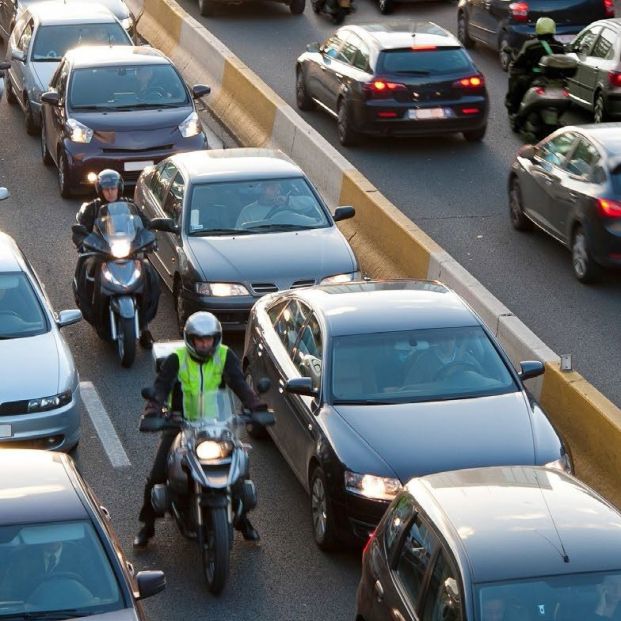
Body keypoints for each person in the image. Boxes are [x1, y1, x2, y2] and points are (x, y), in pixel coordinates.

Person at [133, 311, 268, 548]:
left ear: (216, 338)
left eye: (209, 339)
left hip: (218, 425)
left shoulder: (225, 356)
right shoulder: (177, 359)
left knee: (240, 468)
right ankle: (148, 525)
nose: (205, 344)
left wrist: (256, 406)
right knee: (158, 473)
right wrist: (152, 411)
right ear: (190, 339)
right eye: (199, 339)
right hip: (181, 425)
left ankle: (241, 519)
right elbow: (161, 387)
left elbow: (239, 384)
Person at [72, 169, 157, 349]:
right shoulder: (92, 208)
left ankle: (144, 327)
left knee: (148, 273)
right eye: (106, 189)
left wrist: (150, 238)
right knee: (86, 269)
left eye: (113, 188)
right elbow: (80, 229)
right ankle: (88, 303)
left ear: (119, 188)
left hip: (128, 251)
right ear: (100, 190)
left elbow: (144, 225)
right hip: (101, 253)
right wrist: (82, 241)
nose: (110, 192)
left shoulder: (129, 205)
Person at [505, 17, 565, 117]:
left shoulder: (530, 45)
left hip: (535, 78)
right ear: (553, 30)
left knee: (518, 85)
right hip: (556, 81)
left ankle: (514, 110)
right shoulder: (559, 46)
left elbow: (518, 63)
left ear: (538, 29)